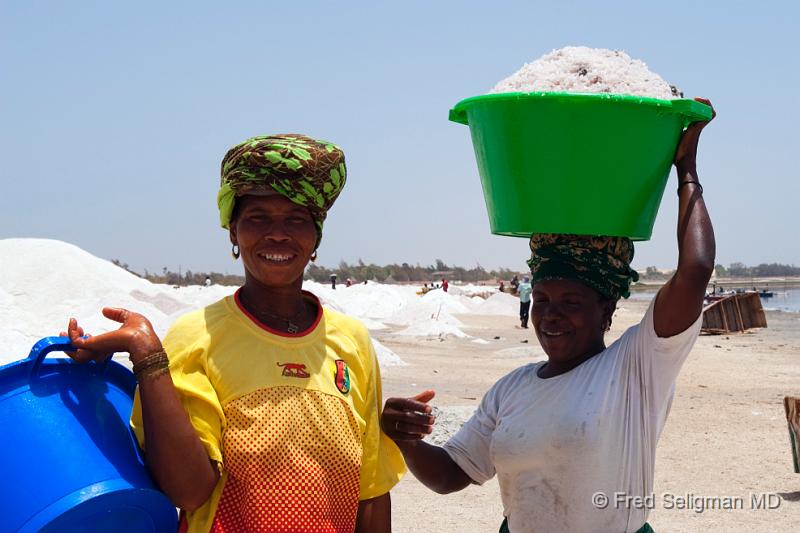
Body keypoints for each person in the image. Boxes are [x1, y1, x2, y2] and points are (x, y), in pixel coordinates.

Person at [381, 100, 716, 532]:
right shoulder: (511, 389)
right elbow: (449, 475)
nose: (551, 316)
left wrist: (685, 170)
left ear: (606, 309)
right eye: (542, 300)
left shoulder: (635, 368)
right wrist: (406, 441)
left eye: (571, 302)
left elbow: (697, 269)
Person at [62, 134, 405, 533]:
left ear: (316, 238)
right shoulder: (197, 337)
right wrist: (148, 356)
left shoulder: (352, 341)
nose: (278, 233)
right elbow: (189, 492)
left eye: (296, 219)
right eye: (258, 217)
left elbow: (371, 489)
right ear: (233, 232)